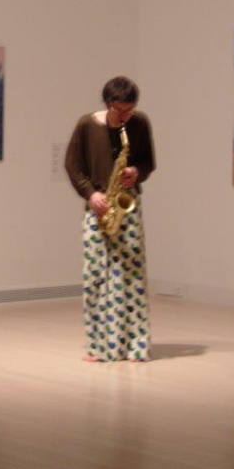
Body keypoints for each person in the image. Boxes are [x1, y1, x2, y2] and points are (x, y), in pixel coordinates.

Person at [64, 76, 156, 362]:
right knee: (96, 276)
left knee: (132, 276)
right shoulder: (87, 125)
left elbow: (149, 161)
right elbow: (72, 165)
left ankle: (136, 346)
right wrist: (90, 194)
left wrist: (136, 172)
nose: (125, 115)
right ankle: (99, 346)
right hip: (99, 206)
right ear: (108, 104)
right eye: (119, 110)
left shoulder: (139, 123)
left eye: (129, 109)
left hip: (127, 205)